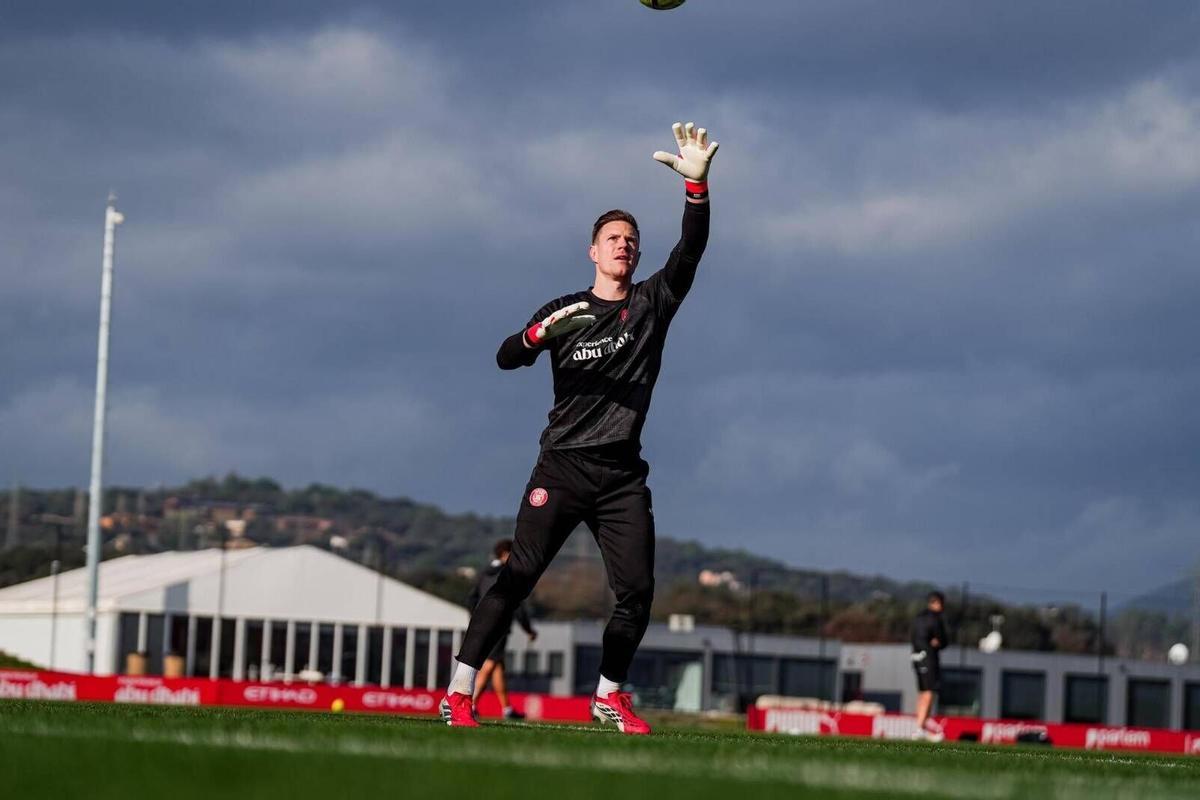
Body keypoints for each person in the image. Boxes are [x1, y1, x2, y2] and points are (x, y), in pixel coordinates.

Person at [440, 121, 718, 734]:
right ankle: (459, 689)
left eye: (631, 239)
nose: (624, 244)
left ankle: (608, 696)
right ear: (593, 251)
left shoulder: (651, 303)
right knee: (516, 578)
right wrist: (538, 334)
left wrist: (696, 186)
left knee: (637, 593)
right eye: (613, 237)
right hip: (562, 465)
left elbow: (691, 252)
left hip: (620, 475)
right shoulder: (566, 310)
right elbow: (506, 356)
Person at [467, 538, 537, 720]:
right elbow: (517, 605)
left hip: (482, 623)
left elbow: (472, 598)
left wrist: (476, 620)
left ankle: (507, 709)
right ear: (506, 554)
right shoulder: (508, 574)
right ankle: (470, 703)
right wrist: (528, 629)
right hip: (500, 624)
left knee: (497, 667)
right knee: (489, 665)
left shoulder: (483, 573)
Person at [911, 590, 948, 741]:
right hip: (928, 658)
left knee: (922, 692)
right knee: (928, 693)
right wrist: (936, 643)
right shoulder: (934, 619)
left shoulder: (918, 618)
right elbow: (943, 640)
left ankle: (920, 727)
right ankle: (920, 728)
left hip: (916, 656)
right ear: (936, 603)